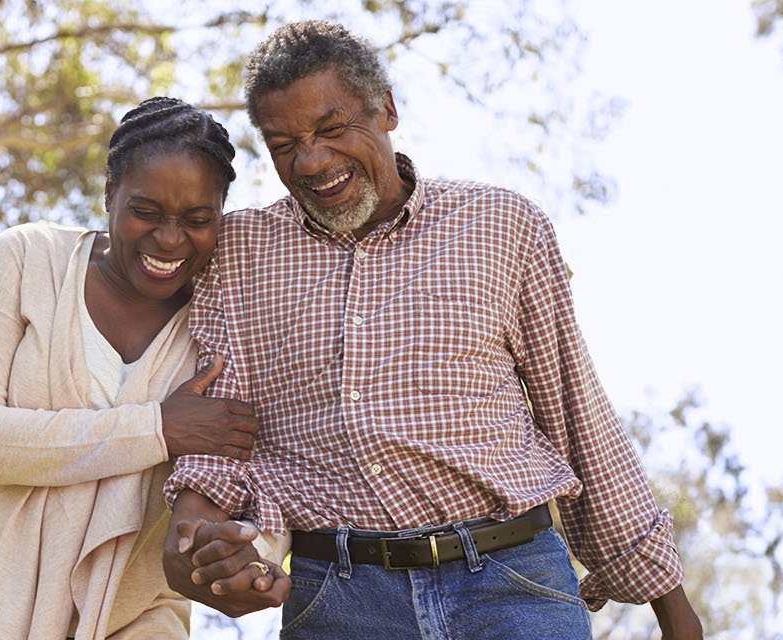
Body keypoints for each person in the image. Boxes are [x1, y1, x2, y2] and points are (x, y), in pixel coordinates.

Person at [159, 21, 706, 639]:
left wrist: (672, 607)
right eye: (285, 144)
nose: (311, 161)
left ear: (387, 110)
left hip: (514, 584)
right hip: (338, 601)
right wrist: (196, 539)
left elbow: (576, 411)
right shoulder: (240, 254)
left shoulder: (501, 224)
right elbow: (220, 433)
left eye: (333, 129)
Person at [0, 97, 264, 640]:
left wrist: (253, 557)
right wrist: (157, 428)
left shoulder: (224, 325)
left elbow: (252, 470)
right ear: (109, 193)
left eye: (197, 220)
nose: (170, 239)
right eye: (146, 211)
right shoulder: (27, 259)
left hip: (133, 620)